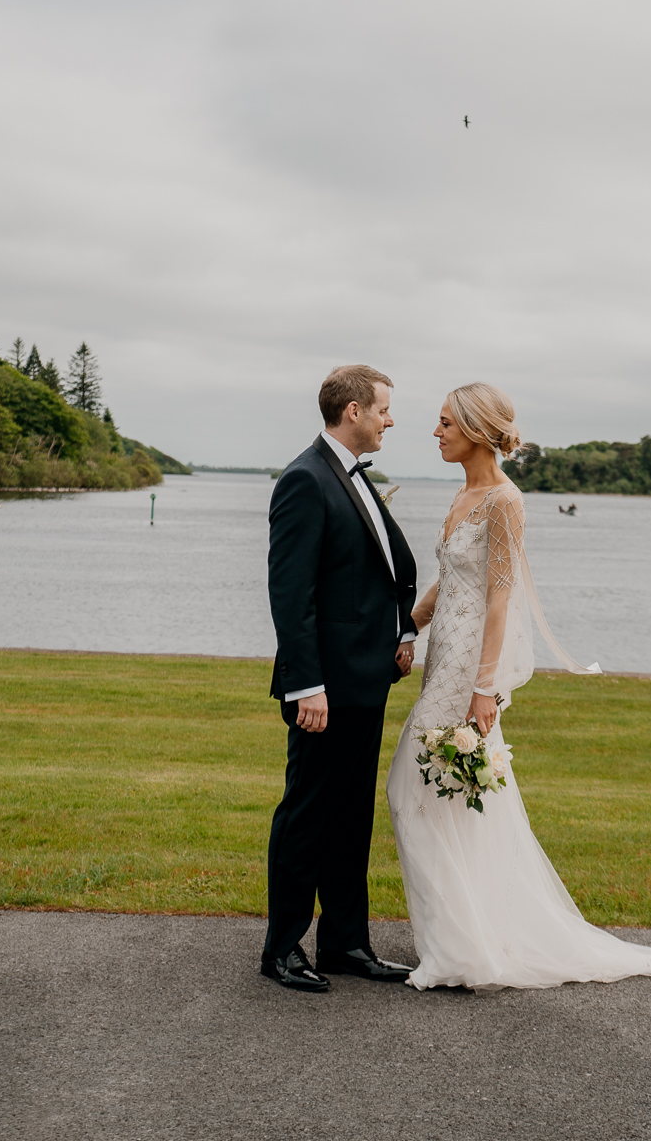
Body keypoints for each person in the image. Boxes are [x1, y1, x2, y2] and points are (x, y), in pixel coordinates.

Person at [387, 382, 651, 990]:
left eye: (443, 424)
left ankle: (466, 948)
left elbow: (499, 599)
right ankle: (461, 940)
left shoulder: (505, 502)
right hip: (441, 659)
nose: (434, 433)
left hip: (468, 672)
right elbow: (447, 583)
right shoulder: (463, 493)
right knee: (437, 796)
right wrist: (401, 630)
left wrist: (485, 687)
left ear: (477, 429)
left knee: (415, 785)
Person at [262, 365, 420, 992]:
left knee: (352, 815)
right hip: (323, 689)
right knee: (308, 814)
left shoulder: (351, 477)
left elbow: (376, 573)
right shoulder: (306, 479)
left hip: (365, 681)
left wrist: (403, 632)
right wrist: (307, 685)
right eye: (384, 409)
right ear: (353, 411)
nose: (390, 420)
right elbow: (290, 593)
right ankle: (282, 949)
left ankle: (345, 942)